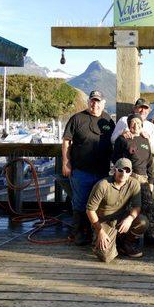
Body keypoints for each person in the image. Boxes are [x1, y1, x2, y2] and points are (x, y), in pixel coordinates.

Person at [62, 90, 115, 245]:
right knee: (80, 203)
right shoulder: (77, 119)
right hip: (81, 171)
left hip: (102, 172)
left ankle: (94, 232)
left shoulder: (108, 120)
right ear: (88, 102)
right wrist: (66, 162)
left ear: (103, 103)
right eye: (92, 101)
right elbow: (66, 142)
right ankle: (78, 232)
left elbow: (115, 140)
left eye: (98, 101)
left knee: (98, 204)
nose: (95, 104)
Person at [112, 113, 154, 246]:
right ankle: (128, 239)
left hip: (143, 180)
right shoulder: (122, 139)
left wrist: (151, 181)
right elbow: (115, 159)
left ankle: (150, 236)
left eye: (138, 123)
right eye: (133, 123)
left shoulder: (145, 139)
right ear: (129, 125)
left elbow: (149, 163)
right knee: (129, 210)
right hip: (128, 180)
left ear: (142, 125)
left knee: (149, 208)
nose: (136, 125)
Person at [86, 158, 150, 263]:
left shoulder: (134, 184)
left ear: (131, 172)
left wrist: (130, 218)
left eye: (127, 170)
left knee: (143, 221)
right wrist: (100, 231)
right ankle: (102, 240)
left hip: (121, 218)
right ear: (115, 170)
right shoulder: (102, 185)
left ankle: (126, 244)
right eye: (120, 170)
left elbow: (137, 207)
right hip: (104, 222)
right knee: (106, 257)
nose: (123, 173)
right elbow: (90, 210)